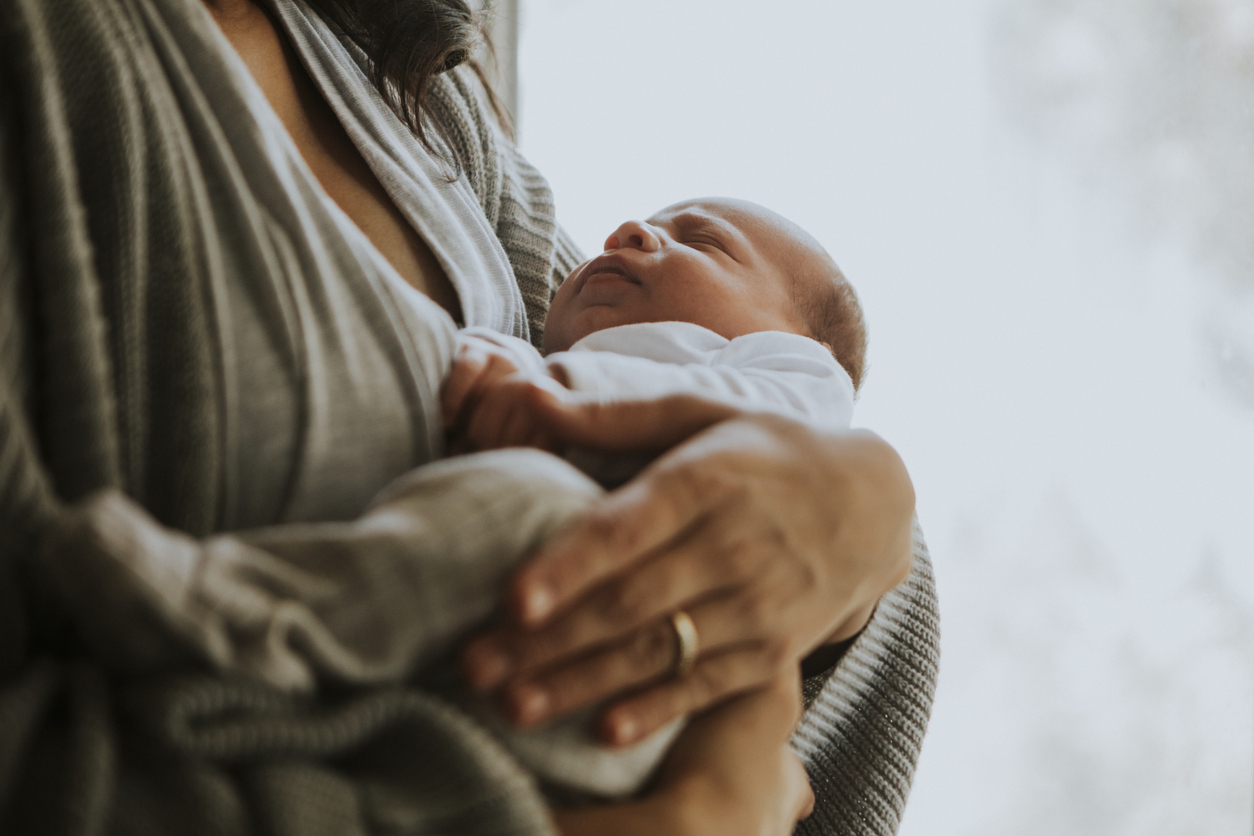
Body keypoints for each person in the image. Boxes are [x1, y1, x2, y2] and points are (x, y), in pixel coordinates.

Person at [0, 0, 939, 834]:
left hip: (601, 649)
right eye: (649, 222)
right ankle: (248, 618)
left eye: (702, 238)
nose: (630, 234)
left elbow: (893, 573)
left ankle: (244, 611)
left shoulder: (409, 92)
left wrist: (867, 506)